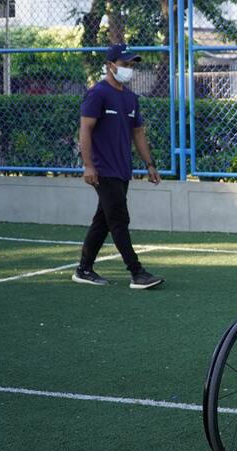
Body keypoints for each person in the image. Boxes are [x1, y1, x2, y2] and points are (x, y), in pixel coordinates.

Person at [72, 43, 164, 289]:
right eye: (125, 64)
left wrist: (150, 164)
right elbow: (85, 129)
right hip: (103, 170)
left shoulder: (131, 98)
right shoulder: (97, 94)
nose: (129, 69)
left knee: (103, 220)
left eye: (132, 65)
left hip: (122, 170)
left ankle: (83, 269)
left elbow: (139, 134)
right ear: (110, 66)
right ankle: (137, 273)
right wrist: (88, 166)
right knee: (119, 220)